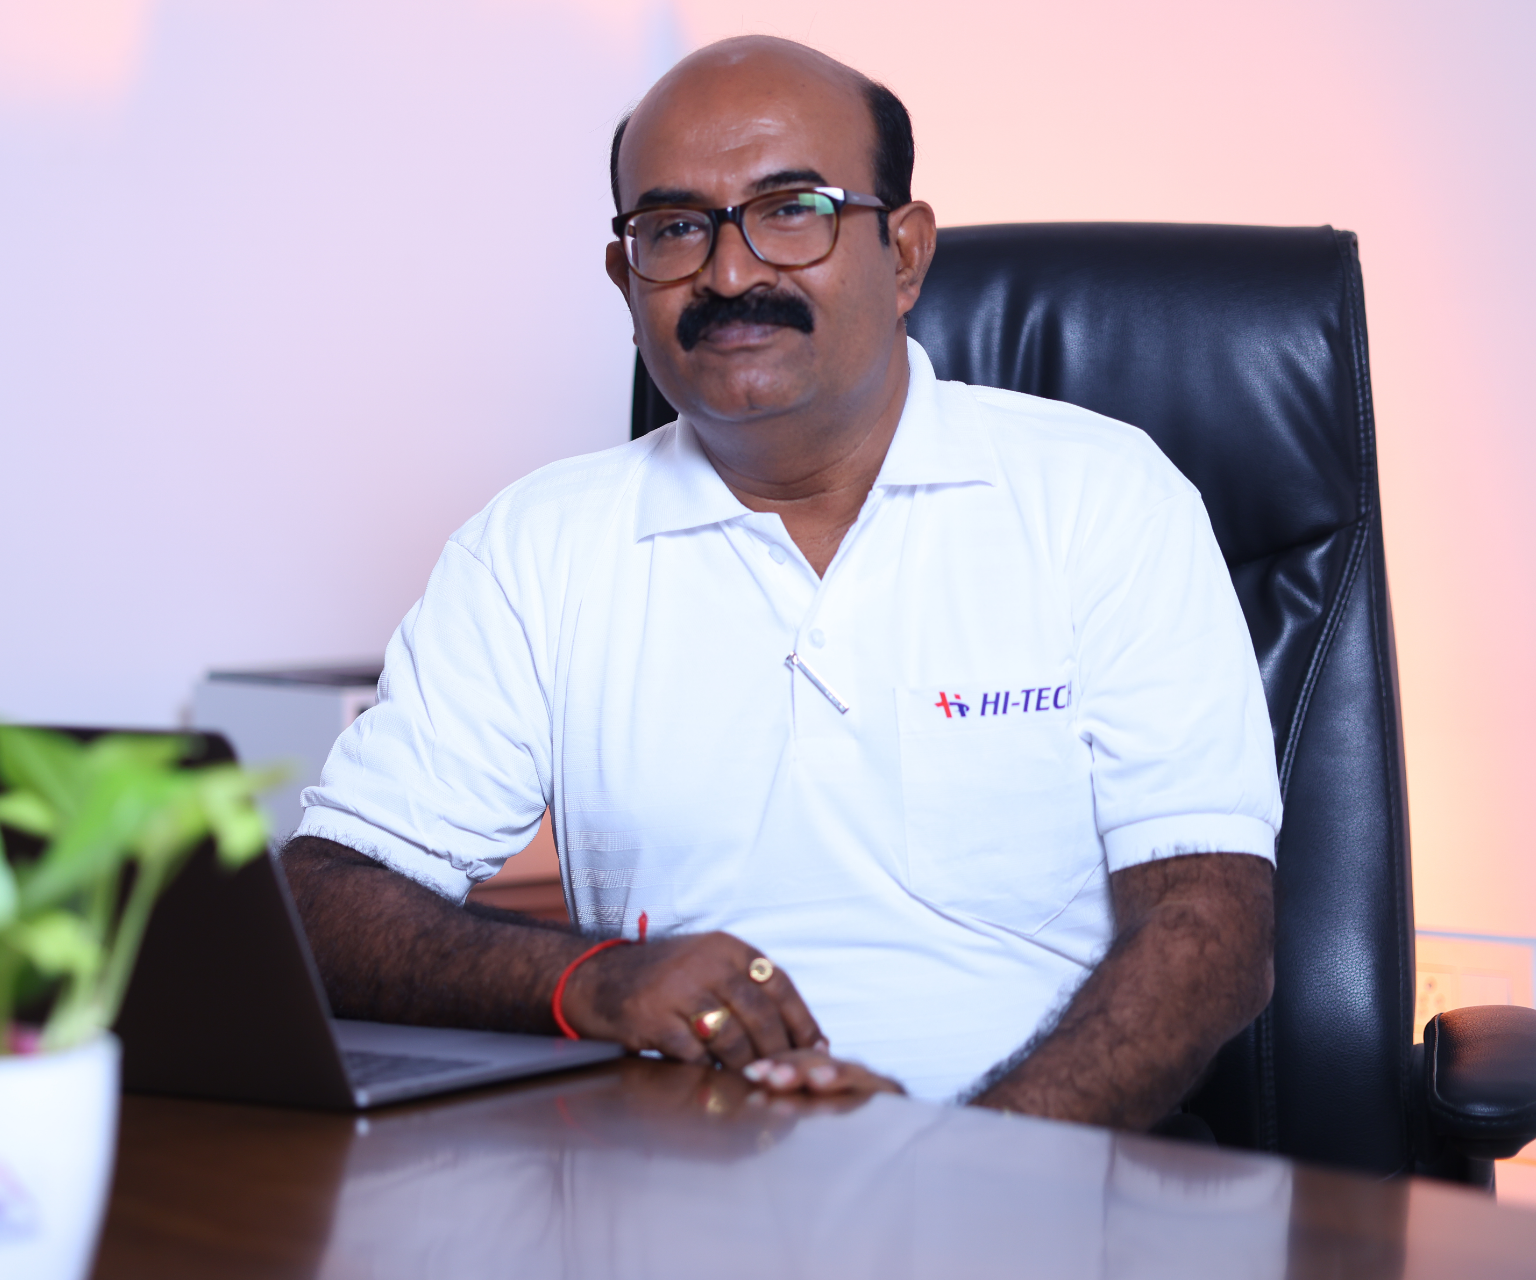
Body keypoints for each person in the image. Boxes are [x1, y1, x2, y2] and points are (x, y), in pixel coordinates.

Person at [284, 35, 1281, 1121]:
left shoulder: (1104, 498)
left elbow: (1210, 933)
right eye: (674, 227)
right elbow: (325, 903)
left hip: (1034, 1164)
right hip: (681, 1168)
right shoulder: (535, 545)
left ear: (905, 254)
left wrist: (960, 1161)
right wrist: (592, 979)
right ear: (626, 280)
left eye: (792, 209)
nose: (729, 273)